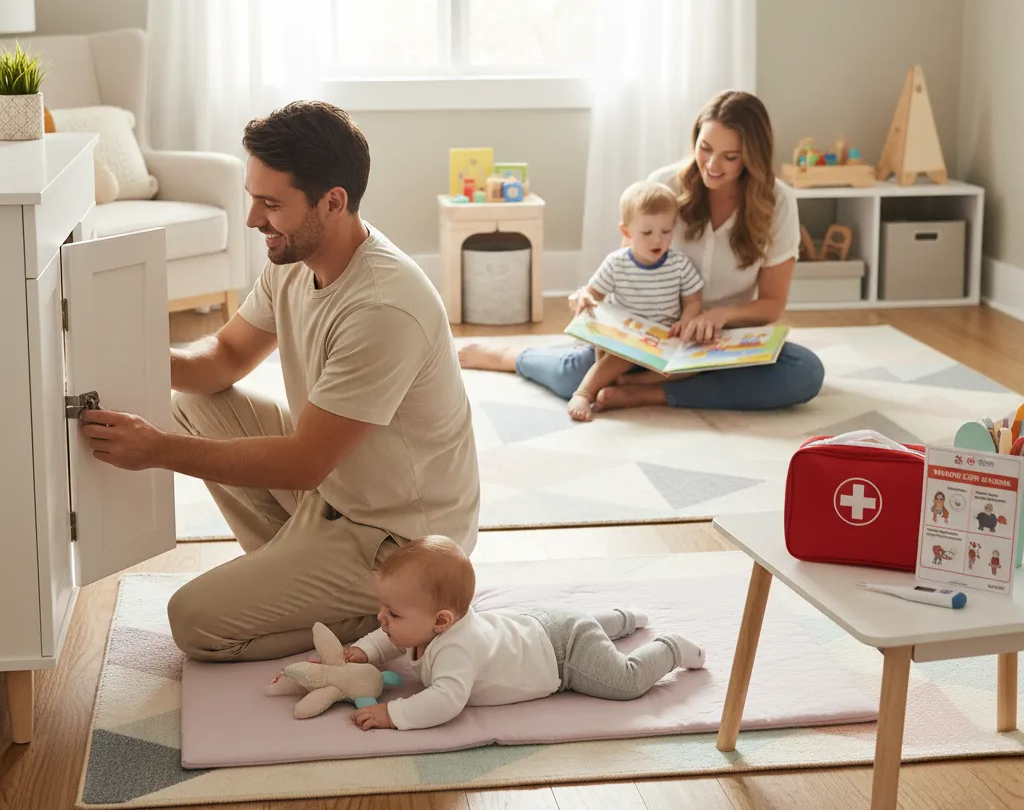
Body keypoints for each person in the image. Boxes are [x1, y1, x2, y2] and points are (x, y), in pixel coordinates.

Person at [79, 100, 480, 662]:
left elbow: (302, 463)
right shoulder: (295, 257)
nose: (251, 219)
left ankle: (383, 614)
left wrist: (157, 451)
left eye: (271, 204)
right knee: (196, 404)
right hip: (337, 493)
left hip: (400, 540)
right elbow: (224, 356)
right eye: (253, 196)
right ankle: (295, 567)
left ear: (333, 202)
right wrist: (126, 348)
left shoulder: (383, 307)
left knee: (192, 623)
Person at [460, 91, 825, 412]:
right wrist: (600, 315)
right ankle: (510, 357)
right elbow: (625, 271)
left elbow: (772, 304)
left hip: (720, 343)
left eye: (730, 157)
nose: (713, 166)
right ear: (695, 140)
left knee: (804, 373)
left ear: (752, 157)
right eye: (705, 149)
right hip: (653, 336)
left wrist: (718, 317)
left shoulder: (777, 203)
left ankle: (646, 395)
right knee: (577, 377)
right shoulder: (663, 186)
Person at [335, 536, 705, 731]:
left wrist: (394, 714)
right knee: (582, 623)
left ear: (442, 622)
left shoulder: (455, 652)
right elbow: (391, 637)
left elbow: (445, 701)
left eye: (392, 613)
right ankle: (622, 619)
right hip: (542, 624)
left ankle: (671, 648)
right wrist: (366, 651)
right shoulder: (421, 628)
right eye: (382, 609)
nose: (381, 619)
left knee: (624, 682)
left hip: (564, 655)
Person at [567, 180, 703, 422]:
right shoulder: (617, 263)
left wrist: (686, 320)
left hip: (663, 341)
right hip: (625, 341)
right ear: (627, 232)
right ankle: (583, 392)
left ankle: (629, 383)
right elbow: (592, 293)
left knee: (694, 365)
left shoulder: (679, 264)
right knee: (618, 356)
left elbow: (693, 300)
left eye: (666, 231)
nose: (657, 240)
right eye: (647, 233)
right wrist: (585, 297)